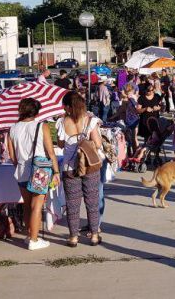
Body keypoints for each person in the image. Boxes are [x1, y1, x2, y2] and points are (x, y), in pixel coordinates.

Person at [6, 98, 61, 251]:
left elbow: (12, 156)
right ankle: (34, 240)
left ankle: (30, 234)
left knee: (27, 206)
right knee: (37, 206)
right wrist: (56, 172)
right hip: (40, 170)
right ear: (36, 111)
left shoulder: (12, 128)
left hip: (21, 170)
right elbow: (51, 152)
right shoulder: (41, 126)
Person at [58, 93, 103, 246]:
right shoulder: (91, 121)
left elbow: (60, 144)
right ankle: (94, 235)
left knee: (72, 203)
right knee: (92, 201)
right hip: (89, 165)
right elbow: (97, 144)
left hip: (69, 167)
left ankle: (73, 237)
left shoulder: (62, 122)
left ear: (68, 106)